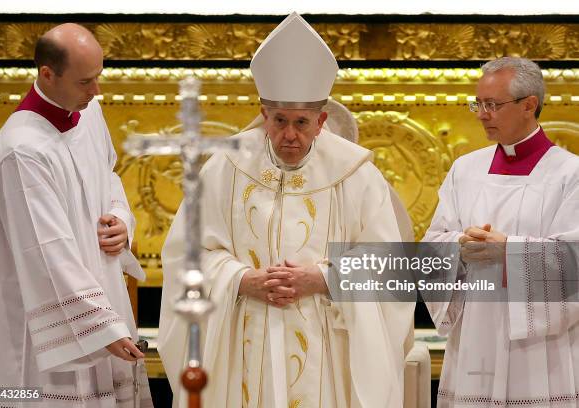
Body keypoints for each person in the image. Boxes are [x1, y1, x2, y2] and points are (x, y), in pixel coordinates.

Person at [158, 12, 414, 408]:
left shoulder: (357, 176)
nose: (289, 135)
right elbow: (184, 255)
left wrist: (324, 278)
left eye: (301, 122)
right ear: (264, 115)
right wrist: (239, 280)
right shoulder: (225, 167)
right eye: (279, 120)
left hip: (327, 347)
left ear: (321, 121)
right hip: (244, 339)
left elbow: (393, 266)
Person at [0, 23, 153, 407]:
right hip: (46, 333)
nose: (96, 91)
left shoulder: (88, 112)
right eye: (85, 81)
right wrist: (101, 325)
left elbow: (107, 176)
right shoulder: (20, 151)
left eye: (98, 78)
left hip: (98, 296)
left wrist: (121, 219)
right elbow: (46, 252)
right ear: (47, 74)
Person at [424, 57, 579, 406]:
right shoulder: (465, 170)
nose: (481, 114)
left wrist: (508, 251)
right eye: (477, 103)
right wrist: (459, 246)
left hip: (540, 351)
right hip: (474, 338)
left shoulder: (570, 175)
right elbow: (433, 243)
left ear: (529, 105)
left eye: (492, 104)